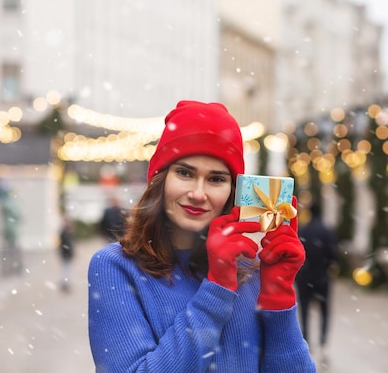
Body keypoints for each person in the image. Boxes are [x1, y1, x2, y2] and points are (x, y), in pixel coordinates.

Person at [88, 100, 316, 372]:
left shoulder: (251, 268)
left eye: (216, 179)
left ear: (233, 191)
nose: (198, 193)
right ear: (160, 179)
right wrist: (217, 287)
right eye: (185, 173)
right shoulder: (115, 267)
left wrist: (279, 299)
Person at [295, 201, 338, 358]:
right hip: (322, 277)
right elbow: (334, 255)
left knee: (304, 310)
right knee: (325, 310)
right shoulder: (327, 231)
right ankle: (323, 341)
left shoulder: (303, 230)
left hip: (304, 277)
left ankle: (306, 340)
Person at [0, 185, 23, 276]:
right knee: (11, 250)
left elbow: (18, 216)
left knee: (11, 250)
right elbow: (19, 217)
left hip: (10, 231)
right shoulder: (10, 203)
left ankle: (12, 267)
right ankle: (12, 267)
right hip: (9, 231)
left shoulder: (8, 204)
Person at [58, 214, 75, 292]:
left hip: (65, 253)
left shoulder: (64, 233)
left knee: (66, 268)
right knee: (66, 268)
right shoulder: (65, 234)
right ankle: (65, 282)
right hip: (66, 254)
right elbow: (67, 245)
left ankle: (65, 281)